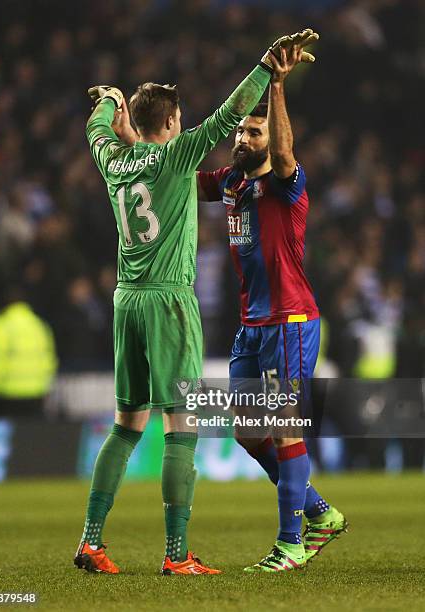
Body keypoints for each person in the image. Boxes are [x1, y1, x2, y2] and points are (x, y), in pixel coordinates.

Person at [73, 35, 310, 576]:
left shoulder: (112, 160)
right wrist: (268, 67)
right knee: (183, 427)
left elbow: (98, 130)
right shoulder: (180, 155)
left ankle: (91, 541)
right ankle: (176, 555)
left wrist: (111, 102)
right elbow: (231, 109)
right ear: (175, 122)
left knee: (126, 424)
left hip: (125, 301)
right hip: (169, 303)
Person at [197, 39, 347, 572]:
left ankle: (290, 545)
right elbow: (182, 182)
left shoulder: (287, 184)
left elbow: (284, 153)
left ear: (271, 138)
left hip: (290, 319)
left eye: (252, 132)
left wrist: (277, 84)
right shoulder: (233, 183)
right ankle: (320, 513)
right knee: (245, 430)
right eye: (241, 130)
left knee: (286, 427)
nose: (243, 137)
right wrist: (137, 145)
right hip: (252, 326)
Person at [0, 288, 58, 419]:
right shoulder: (39, 325)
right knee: (30, 435)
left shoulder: (0, 325)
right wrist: (45, 384)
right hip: (36, 392)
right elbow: (49, 359)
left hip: (6, 394)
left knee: (6, 436)